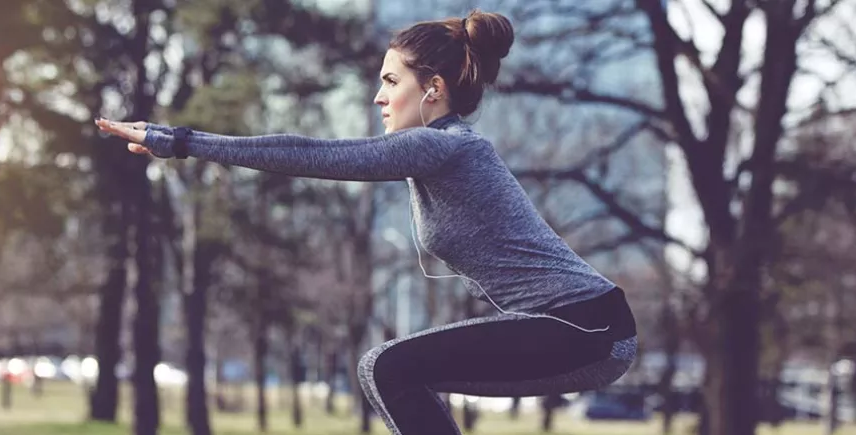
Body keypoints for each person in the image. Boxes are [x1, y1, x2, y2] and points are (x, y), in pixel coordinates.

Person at [96, 9, 637, 435]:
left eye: (390, 80)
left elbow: (309, 153)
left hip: (585, 327)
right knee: (391, 371)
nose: (378, 96)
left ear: (434, 89)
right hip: (582, 329)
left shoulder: (444, 148)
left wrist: (181, 141)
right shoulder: (439, 153)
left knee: (386, 366)